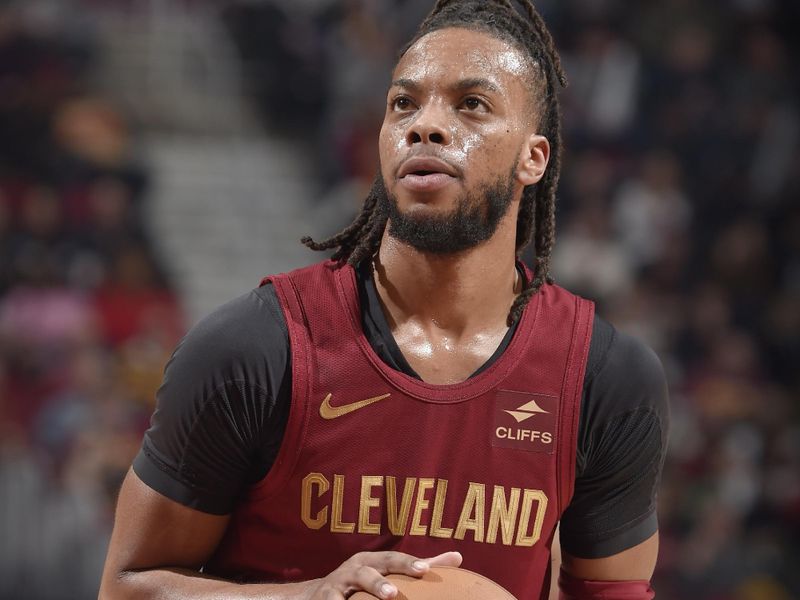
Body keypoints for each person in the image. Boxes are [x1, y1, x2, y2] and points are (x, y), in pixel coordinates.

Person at [99, 1, 669, 599]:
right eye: (404, 103)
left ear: (534, 157)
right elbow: (126, 587)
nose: (425, 125)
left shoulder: (605, 378)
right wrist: (311, 596)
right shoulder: (252, 349)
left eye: (472, 104)